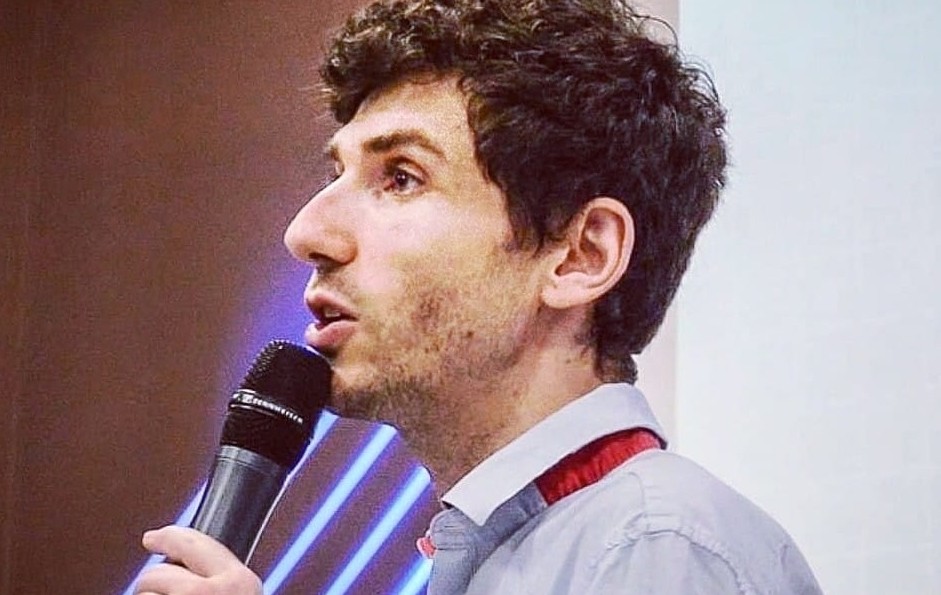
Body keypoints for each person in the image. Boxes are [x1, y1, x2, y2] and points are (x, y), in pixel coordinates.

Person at [136, 0, 823, 592]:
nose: (306, 233)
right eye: (335, 174)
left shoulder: (653, 550)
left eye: (401, 177)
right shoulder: (516, 551)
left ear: (581, 255)